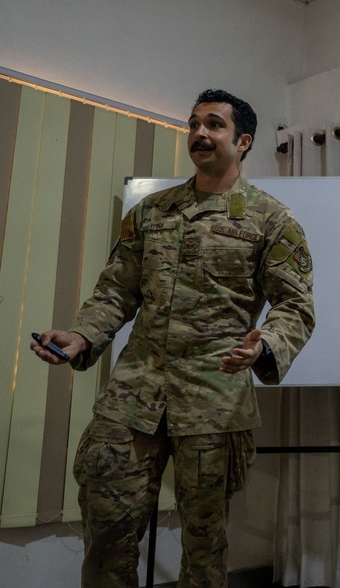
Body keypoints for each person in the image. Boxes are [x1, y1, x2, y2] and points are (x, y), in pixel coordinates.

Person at [31, 89, 316, 587]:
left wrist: (264, 345)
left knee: (204, 550)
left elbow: (295, 307)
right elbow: (117, 291)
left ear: (244, 140)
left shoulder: (272, 220)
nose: (200, 134)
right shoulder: (152, 212)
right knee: (107, 532)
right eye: (193, 124)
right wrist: (80, 337)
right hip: (133, 397)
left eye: (214, 124)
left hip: (213, 403)